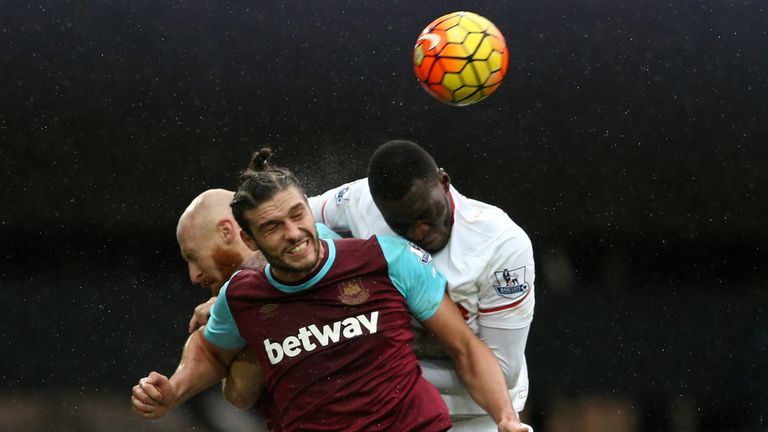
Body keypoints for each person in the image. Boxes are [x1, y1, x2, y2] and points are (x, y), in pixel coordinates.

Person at [131, 149, 528, 432]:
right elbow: (211, 352)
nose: (293, 233)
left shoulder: (385, 258)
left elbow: (468, 348)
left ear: (309, 207)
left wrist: (506, 418)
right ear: (249, 241)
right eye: (271, 227)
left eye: (297, 215)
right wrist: (175, 390)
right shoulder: (242, 296)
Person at [307, 140, 535, 431]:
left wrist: (372, 369)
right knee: (316, 241)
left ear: (444, 182)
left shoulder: (501, 244)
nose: (419, 231)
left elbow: (504, 374)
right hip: (389, 406)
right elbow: (290, 213)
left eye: (425, 215)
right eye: (402, 225)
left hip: (475, 413)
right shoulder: (358, 201)